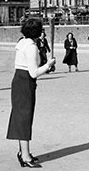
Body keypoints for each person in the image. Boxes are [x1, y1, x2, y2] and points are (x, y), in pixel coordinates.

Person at [7, 18, 56, 168]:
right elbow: (34, 72)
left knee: (21, 117)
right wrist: (48, 65)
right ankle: (25, 155)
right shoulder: (31, 47)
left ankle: (23, 151)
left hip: (19, 81)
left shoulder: (22, 42)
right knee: (24, 118)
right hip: (25, 83)